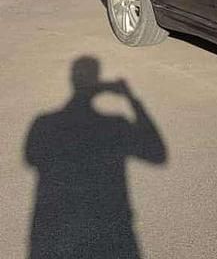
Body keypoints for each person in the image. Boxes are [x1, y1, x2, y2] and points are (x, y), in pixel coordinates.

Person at [25, 56, 166, 259]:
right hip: (114, 220)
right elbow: (157, 154)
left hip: (52, 224)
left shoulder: (44, 122)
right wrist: (131, 99)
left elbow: (31, 158)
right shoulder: (116, 124)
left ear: (71, 80)